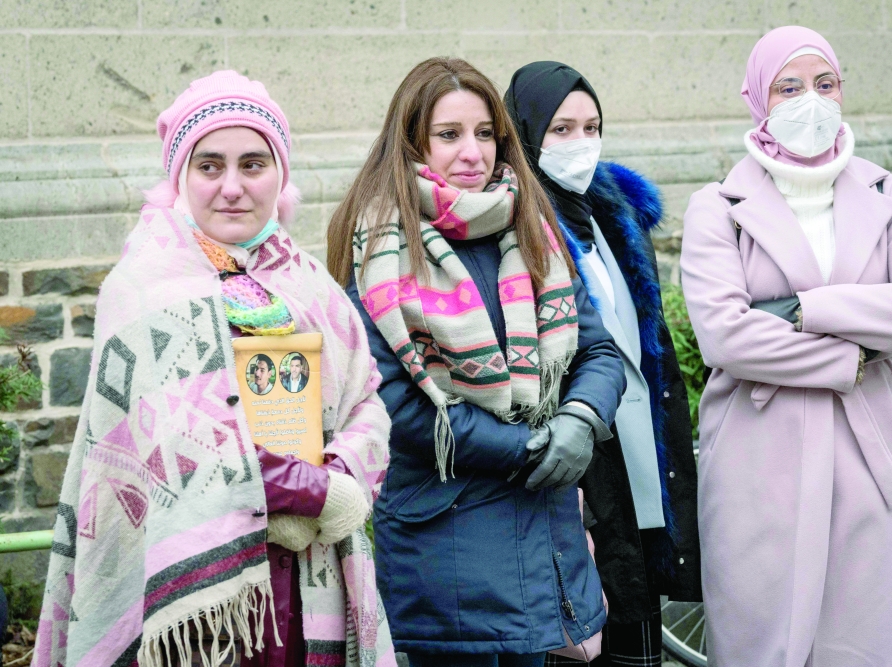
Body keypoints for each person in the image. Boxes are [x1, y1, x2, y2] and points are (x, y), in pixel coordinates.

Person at [33, 71, 395, 667]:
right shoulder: (142, 291)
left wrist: (342, 474)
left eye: (253, 164)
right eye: (209, 166)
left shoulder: (310, 284)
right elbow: (177, 441)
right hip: (199, 607)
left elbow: (366, 401)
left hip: (308, 582)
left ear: (280, 175)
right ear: (180, 177)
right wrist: (313, 491)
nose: (232, 187)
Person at [327, 57, 626, 667]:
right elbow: (393, 404)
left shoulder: (531, 227)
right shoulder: (379, 246)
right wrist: (531, 448)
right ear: (412, 142)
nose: (473, 152)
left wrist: (581, 419)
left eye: (485, 133)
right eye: (449, 134)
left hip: (546, 534)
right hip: (448, 546)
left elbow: (597, 349)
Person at [680, 27, 892, 666]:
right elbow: (727, 336)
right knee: (764, 638)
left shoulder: (888, 193)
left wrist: (807, 309)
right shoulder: (716, 207)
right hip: (759, 458)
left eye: (825, 83)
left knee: (867, 639)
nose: (811, 100)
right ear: (759, 98)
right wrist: (851, 354)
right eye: (790, 87)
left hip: (870, 453)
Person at [505, 62, 701, 667]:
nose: (581, 143)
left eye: (591, 127)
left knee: (634, 625)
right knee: (578, 636)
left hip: (638, 463)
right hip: (571, 472)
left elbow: (648, 347)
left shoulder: (614, 218)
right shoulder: (512, 224)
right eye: (561, 129)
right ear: (524, 132)